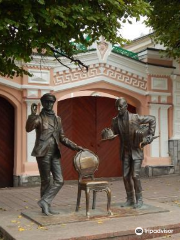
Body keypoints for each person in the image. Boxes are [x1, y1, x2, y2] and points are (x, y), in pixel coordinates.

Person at [26, 93, 83, 215]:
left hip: (55, 153)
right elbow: (28, 128)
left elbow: (62, 137)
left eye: (51, 102)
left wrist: (75, 147)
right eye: (46, 102)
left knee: (59, 180)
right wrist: (32, 115)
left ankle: (45, 201)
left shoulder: (58, 119)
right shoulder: (39, 118)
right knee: (46, 181)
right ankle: (46, 207)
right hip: (43, 153)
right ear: (43, 103)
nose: (49, 104)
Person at [111, 97, 156, 208]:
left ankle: (139, 200)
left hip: (136, 151)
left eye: (120, 106)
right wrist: (108, 135)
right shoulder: (115, 121)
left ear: (126, 106)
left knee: (135, 176)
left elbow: (152, 119)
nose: (118, 109)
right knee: (125, 177)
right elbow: (114, 133)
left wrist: (150, 135)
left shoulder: (135, 118)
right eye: (116, 107)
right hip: (125, 152)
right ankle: (130, 199)